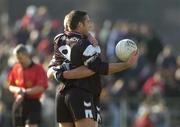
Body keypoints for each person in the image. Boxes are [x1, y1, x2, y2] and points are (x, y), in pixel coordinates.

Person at [47, 10, 138, 127]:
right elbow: (100, 68)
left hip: (62, 94)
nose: (90, 24)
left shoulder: (59, 40)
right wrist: (126, 65)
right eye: (88, 21)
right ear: (80, 25)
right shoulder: (85, 45)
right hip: (81, 93)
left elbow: (51, 70)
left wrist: (88, 35)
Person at [7, 44, 48, 127]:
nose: (18, 61)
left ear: (27, 55)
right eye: (17, 58)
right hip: (19, 103)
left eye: (20, 58)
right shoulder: (16, 68)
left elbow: (41, 87)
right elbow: (10, 86)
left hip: (33, 104)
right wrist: (18, 90)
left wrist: (24, 92)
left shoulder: (38, 68)